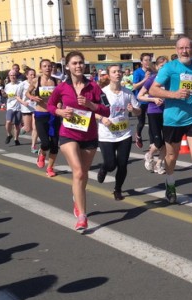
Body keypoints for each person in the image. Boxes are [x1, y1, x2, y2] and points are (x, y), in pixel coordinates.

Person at [47, 51, 110, 231]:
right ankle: (82, 216)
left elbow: (107, 110)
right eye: (74, 63)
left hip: (89, 136)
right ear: (67, 66)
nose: (78, 66)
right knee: (78, 171)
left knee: (82, 174)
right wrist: (60, 112)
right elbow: (51, 105)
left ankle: (77, 197)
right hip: (68, 134)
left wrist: (91, 105)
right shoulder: (61, 87)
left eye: (80, 63)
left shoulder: (93, 87)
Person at [148, 37, 192, 214]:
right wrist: (174, 94)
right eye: (181, 48)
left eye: (188, 48)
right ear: (176, 50)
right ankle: (170, 183)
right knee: (171, 157)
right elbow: (153, 90)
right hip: (173, 120)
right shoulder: (169, 67)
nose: (185, 51)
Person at [97, 64, 142, 200]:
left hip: (124, 134)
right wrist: (102, 118)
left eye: (119, 71)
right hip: (107, 135)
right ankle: (104, 169)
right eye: (114, 72)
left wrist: (132, 110)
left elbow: (138, 111)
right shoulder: (103, 92)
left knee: (122, 164)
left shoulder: (127, 93)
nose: (117, 74)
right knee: (111, 164)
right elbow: (92, 111)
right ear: (109, 75)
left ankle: (118, 189)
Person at [27, 59, 60, 177]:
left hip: (54, 114)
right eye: (45, 66)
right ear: (41, 68)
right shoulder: (36, 80)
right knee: (45, 142)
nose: (47, 68)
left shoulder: (57, 81)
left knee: (55, 144)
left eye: (49, 66)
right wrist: (32, 97)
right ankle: (42, 153)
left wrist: (59, 105)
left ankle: (50, 168)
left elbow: (60, 97)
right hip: (41, 114)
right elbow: (27, 93)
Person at [139, 55, 168, 174]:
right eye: (161, 66)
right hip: (154, 112)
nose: (164, 68)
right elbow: (139, 95)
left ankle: (158, 164)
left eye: (166, 66)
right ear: (156, 67)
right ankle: (149, 154)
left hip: (167, 113)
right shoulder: (152, 79)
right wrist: (153, 99)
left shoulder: (170, 80)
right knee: (158, 142)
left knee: (168, 142)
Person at [132, 53, 152, 148]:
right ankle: (138, 135)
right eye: (146, 60)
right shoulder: (137, 72)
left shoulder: (153, 71)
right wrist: (145, 79)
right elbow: (134, 86)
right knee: (142, 122)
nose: (148, 62)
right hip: (141, 100)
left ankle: (152, 143)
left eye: (149, 60)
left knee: (153, 122)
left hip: (151, 100)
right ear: (141, 62)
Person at [18, 68, 38, 153]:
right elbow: (17, 96)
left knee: (35, 127)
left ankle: (33, 146)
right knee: (28, 128)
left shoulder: (37, 83)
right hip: (26, 108)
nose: (33, 76)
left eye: (34, 74)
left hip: (36, 107)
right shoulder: (22, 84)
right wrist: (23, 102)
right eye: (31, 75)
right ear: (27, 76)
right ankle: (23, 128)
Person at [2, 70, 22, 145]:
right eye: (11, 75)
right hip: (10, 106)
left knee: (17, 125)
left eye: (14, 75)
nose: (13, 77)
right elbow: (5, 95)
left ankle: (16, 139)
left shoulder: (20, 84)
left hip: (19, 107)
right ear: (9, 77)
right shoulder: (7, 86)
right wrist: (3, 94)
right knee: (8, 121)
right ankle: (9, 134)